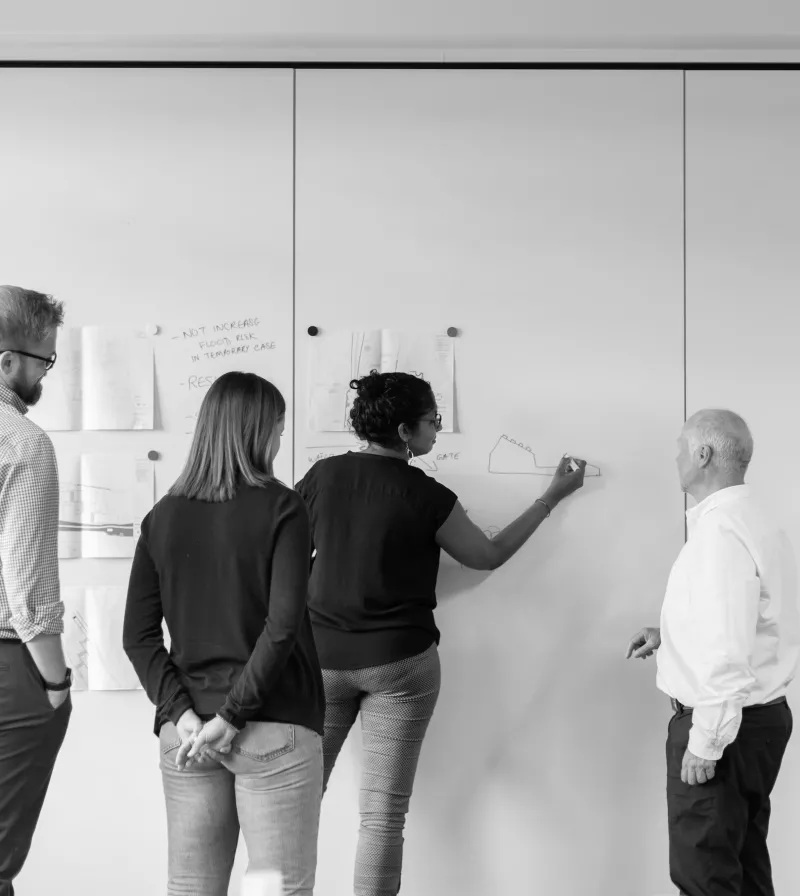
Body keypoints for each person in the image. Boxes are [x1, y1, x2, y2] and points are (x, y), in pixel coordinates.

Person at [295, 370, 586, 896]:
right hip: (399, 664)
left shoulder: (322, 476)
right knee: (382, 817)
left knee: (295, 800)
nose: (438, 429)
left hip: (320, 661)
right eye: (432, 421)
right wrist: (551, 497)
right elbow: (486, 556)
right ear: (405, 431)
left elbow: (287, 552)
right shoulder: (428, 496)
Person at [123, 372, 325, 896]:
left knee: (191, 888)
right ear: (258, 431)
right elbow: (282, 627)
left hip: (187, 733)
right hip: (271, 727)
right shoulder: (284, 507)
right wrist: (232, 716)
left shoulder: (162, 516)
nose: (280, 439)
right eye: (278, 427)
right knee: (274, 889)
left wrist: (184, 714)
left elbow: (137, 637)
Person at [626, 409, 800, 896]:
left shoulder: (720, 532)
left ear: (703, 454)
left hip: (725, 724)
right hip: (759, 720)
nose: (676, 459)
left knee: (705, 876)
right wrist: (670, 634)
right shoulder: (753, 519)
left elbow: (727, 649)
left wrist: (707, 741)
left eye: (680, 449)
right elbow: (750, 620)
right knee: (744, 866)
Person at [0, 286, 71, 896]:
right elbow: (26, 581)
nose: (46, 372)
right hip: (9, 666)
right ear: (6, 362)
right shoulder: (23, 443)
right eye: (44, 359)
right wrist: (56, 682)